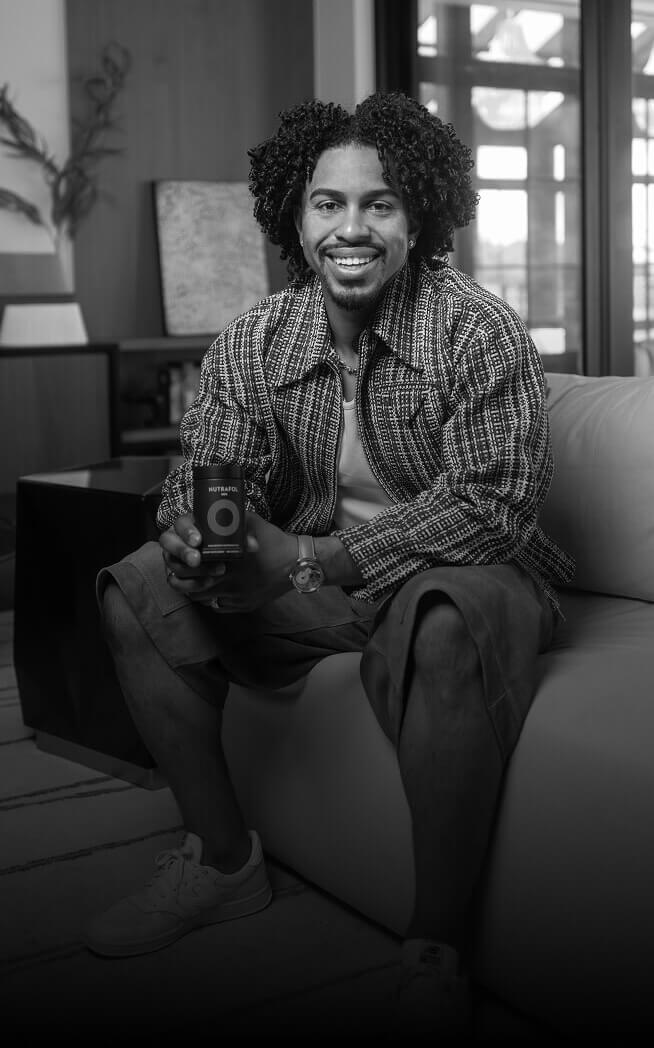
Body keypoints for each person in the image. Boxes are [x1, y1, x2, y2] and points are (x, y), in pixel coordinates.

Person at [84, 91, 574, 1035]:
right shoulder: (255, 339)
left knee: (443, 617)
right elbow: (211, 471)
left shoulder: (478, 329)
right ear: (295, 218)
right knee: (138, 586)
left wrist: (308, 558)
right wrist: (198, 532)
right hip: (318, 592)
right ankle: (222, 863)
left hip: (470, 576)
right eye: (327, 203)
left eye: (379, 204)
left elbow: (493, 504)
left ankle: (437, 947)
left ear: (418, 219)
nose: (352, 228)